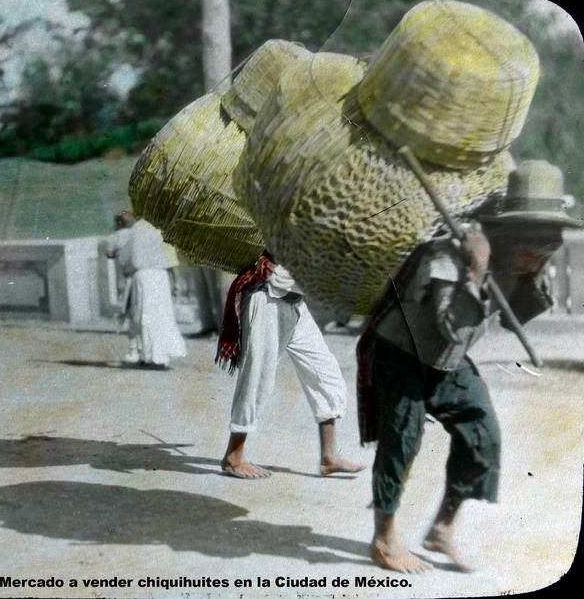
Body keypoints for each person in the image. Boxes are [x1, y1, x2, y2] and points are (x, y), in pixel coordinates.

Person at [357, 160, 581, 573]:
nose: (544, 248)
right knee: (401, 442)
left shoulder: (521, 261)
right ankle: (383, 540)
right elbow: (450, 327)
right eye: (537, 241)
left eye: (550, 242)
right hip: (404, 352)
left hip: (447, 360)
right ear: (513, 230)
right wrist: (475, 273)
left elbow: (515, 318)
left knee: (482, 430)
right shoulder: (451, 251)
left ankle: (441, 528)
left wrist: (533, 280)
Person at [216, 250, 364, 479]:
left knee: (325, 371)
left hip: (294, 301)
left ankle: (329, 458)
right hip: (267, 299)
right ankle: (233, 457)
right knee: (257, 378)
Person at [105, 211, 187, 368]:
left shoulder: (133, 231)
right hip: (161, 277)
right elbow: (170, 258)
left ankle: (148, 355)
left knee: (144, 316)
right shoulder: (160, 229)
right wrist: (175, 281)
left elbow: (118, 255)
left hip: (142, 276)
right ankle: (161, 356)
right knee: (162, 315)